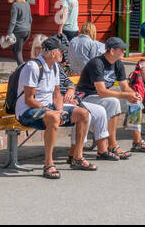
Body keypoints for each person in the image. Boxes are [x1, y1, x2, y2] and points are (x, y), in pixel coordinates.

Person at [16, 35, 94, 178]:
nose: (63, 54)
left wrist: (59, 110)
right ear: (52, 53)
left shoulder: (55, 67)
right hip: (27, 111)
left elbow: (57, 92)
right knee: (52, 117)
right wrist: (52, 111)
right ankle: (48, 164)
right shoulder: (32, 67)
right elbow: (29, 100)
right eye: (61, 51)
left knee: (83, 113)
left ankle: (77, 157)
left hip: (48, 108)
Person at [76, 35, 145, 157]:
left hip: (101, 98)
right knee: (113, 102)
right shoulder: (97, 63)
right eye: (121, 49)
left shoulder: (118, 63)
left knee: (135, 102)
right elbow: (101, 91)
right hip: (87, 98)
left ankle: (137, 141)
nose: (124, 51)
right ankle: (112, 146)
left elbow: (124, 86)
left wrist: (132, 94)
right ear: (112, 51)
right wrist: (125, 95)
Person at [5, 0, 32, 66]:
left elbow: (13, 21)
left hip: (19, 31)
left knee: (18, 51)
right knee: (15, 49)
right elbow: (30, 19)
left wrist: (9, 33)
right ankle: (20, 67)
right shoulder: (27, 4)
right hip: (27, 31)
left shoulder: (15, 5)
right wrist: (28, 29)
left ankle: (22, 69)